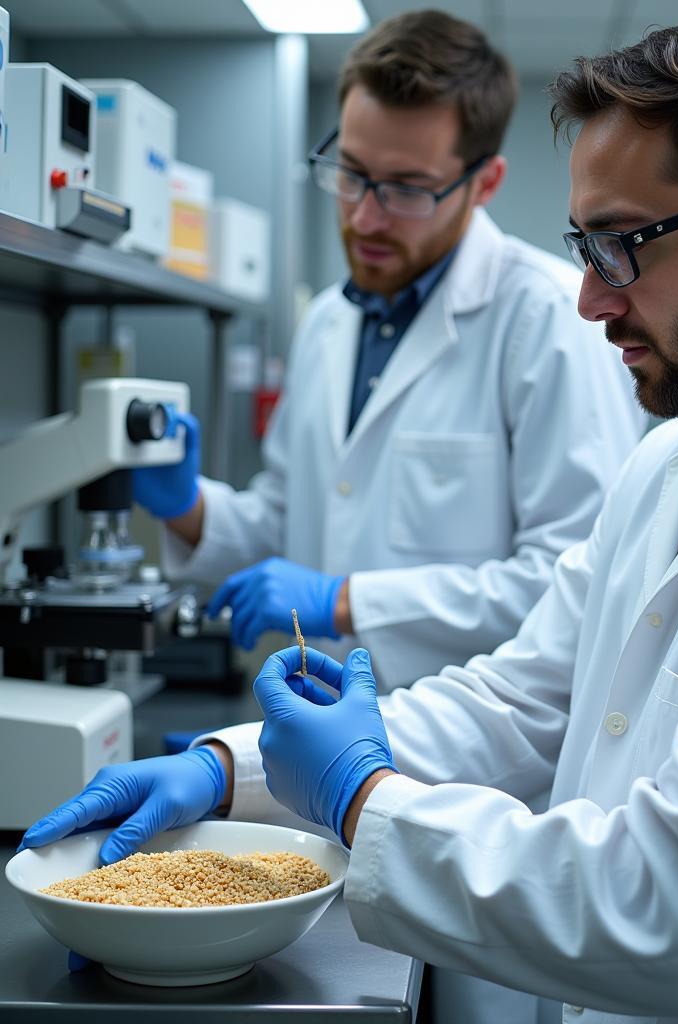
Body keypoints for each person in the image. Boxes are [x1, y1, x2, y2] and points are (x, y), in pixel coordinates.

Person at [23, 10, 678, 1024]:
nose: (590, 299)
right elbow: (524, 699)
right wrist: (229, 767)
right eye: (582, 247)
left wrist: (361, 797)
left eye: (622, 247)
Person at [134, 9, 644, 689]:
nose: (365, 217)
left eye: (406, 188)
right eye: (350, 173)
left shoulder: (547, 319)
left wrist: (345, 600)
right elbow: (291, 518)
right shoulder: (327, 321)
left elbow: (576, 579)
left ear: (484, 183)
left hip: (462, 769)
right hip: (309, 732)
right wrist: (185, 508)